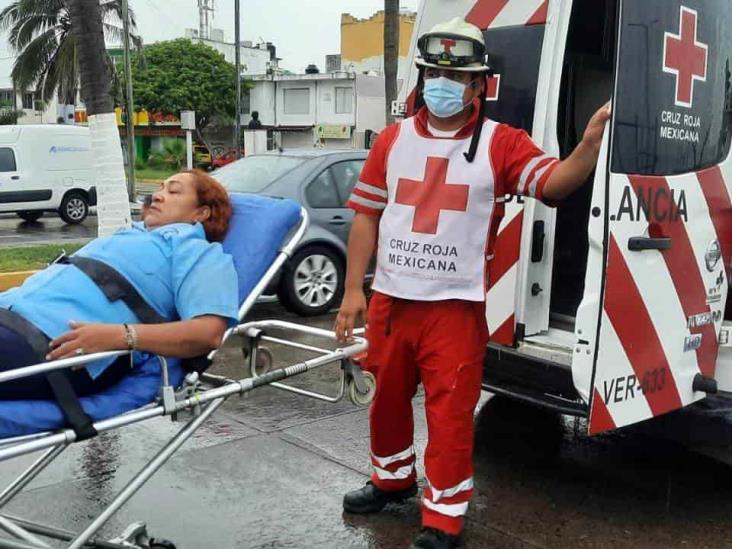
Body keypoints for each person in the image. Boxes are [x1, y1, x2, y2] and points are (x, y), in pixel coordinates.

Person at [334, 18, 611, 549]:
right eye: (434, 72)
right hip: (391, 301)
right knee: (386, 401)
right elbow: (366, 216)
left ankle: (443, 517)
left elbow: (552, 185)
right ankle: (391, 480)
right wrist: (353, 292)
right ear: (421, 78)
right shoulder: (392, 140)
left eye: (456, 76)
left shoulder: (501, 144)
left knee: (450, 413)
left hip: (454, 309)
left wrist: (588, 148)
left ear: (479, 85)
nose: (443, 83)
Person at [0, 169, 239, 402]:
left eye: (174, 192)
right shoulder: (129, 236)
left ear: (201, 213)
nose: (157, 195)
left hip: (56, 345)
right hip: (9, 316)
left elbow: (209, 333)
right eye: (160, 188)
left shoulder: (199, 252)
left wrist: (122, 336)